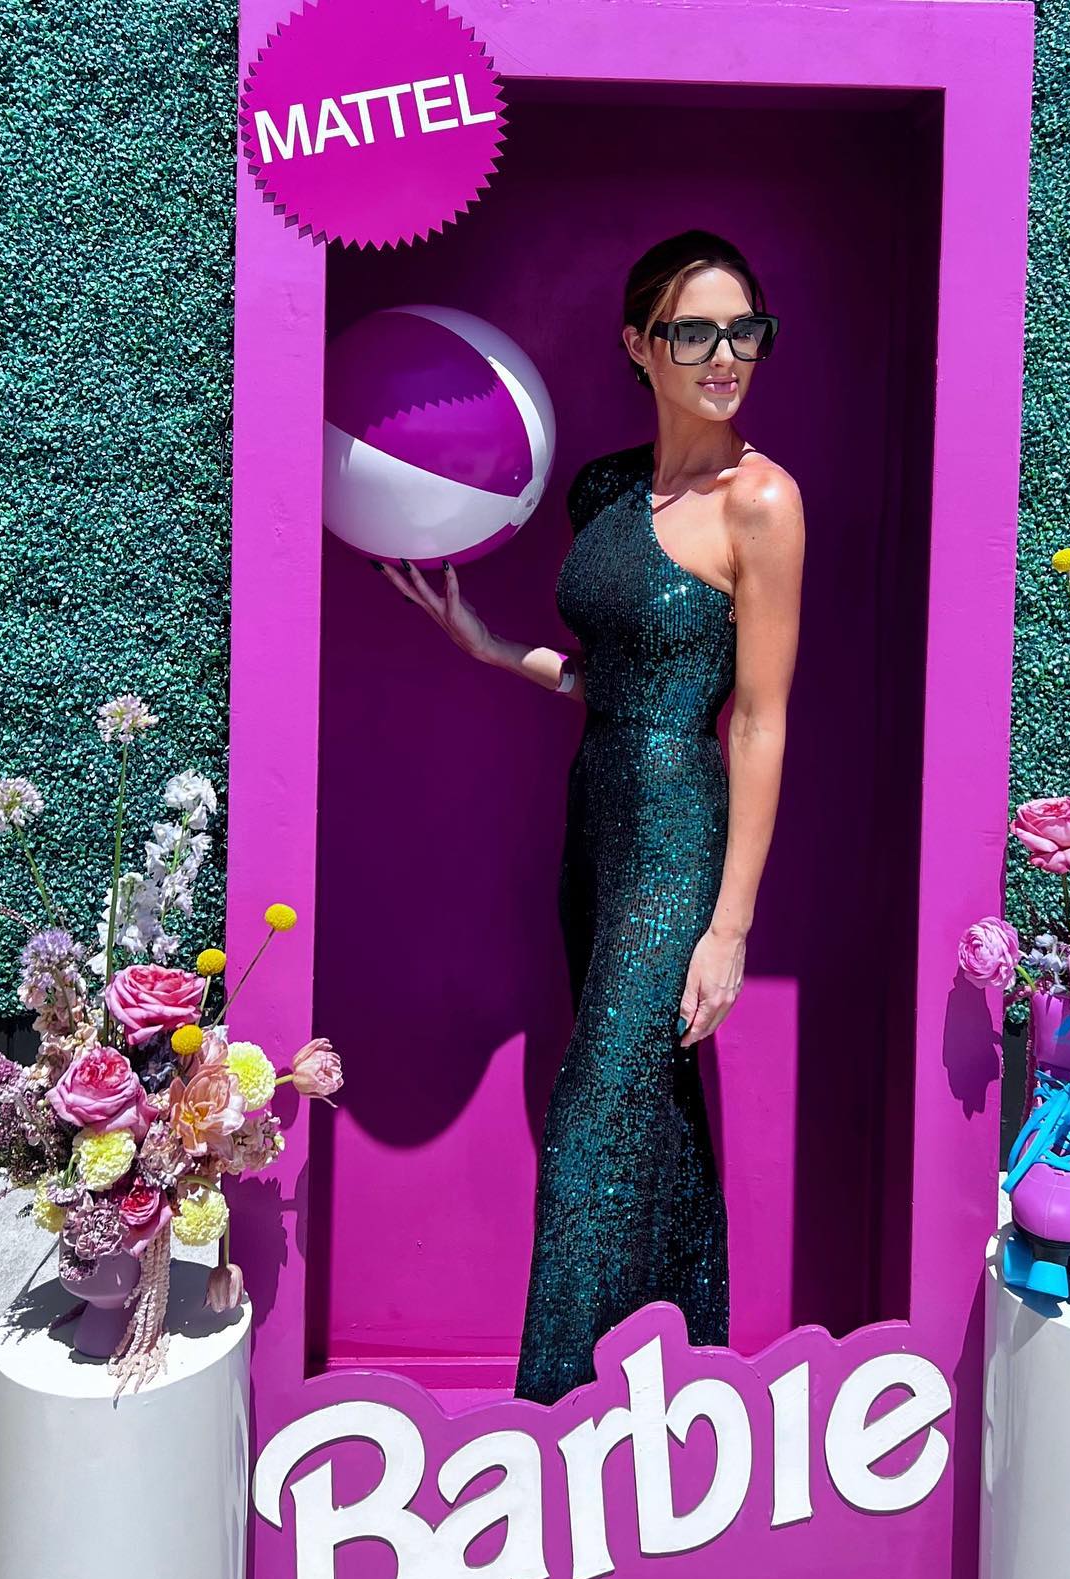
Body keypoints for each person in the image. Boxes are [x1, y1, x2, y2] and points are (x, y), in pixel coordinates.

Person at [373, 229, 805, 1403]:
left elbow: (756, 723)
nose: (724, 356)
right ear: (639, 345)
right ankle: (675, 1388)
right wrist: (492, 649)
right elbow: (614, 679)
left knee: (588, 1120)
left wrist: (729, 928)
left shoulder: (763, 503)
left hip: (676, 838)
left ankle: (554, 1418)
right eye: (694, 333)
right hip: (596, 825)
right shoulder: (607, 490)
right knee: (650, 1114)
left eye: (744, 332)